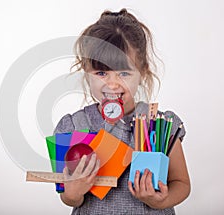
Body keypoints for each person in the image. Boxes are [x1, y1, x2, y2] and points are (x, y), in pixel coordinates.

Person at [53, 8, 190, 214]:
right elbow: (68, 197)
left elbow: (181, 183)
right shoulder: (73, 127)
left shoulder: (160, 125)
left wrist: (160, 201)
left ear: (142, 72)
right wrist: (72, 194)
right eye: (101, 72)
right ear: (86, 72)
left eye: (124, 73)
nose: (113, 84)